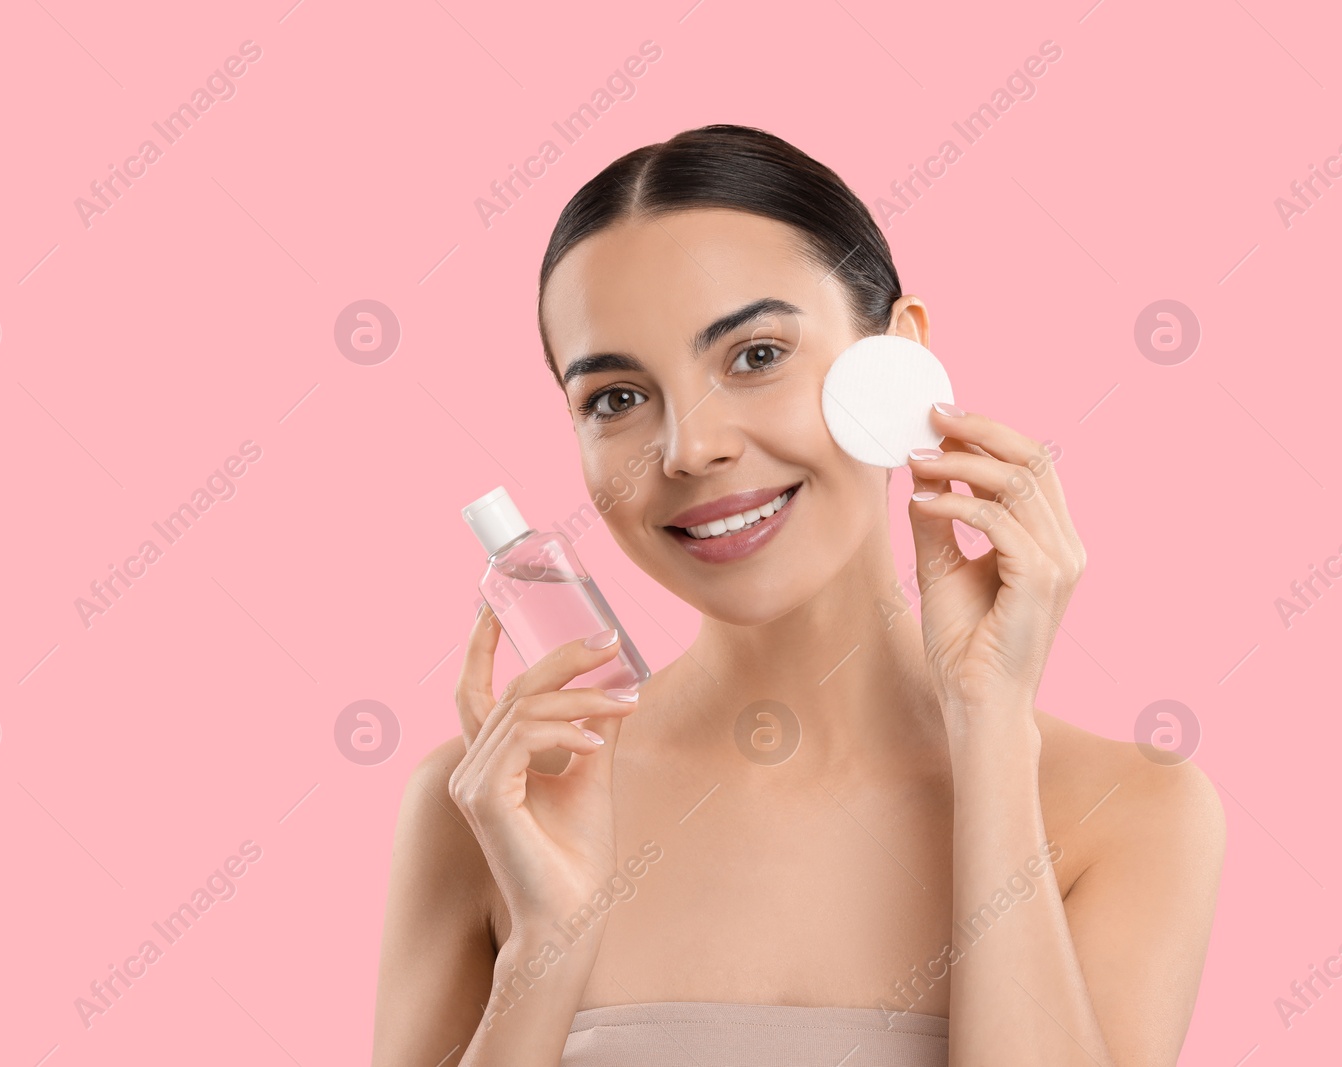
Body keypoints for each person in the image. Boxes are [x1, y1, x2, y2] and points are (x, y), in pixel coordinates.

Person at [372, 124, 1224, 1066]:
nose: (690, 448)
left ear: (898, 359)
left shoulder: (1129, 812)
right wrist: (546, 947)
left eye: (755, 354)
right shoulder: (492, 808)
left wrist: (991, 734)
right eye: (617, 397)